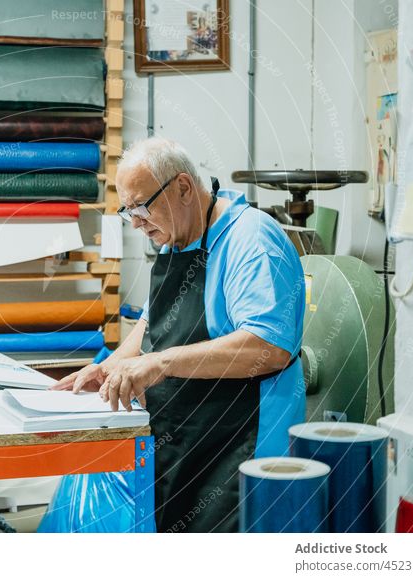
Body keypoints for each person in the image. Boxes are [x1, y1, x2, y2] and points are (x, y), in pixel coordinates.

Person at [52, 138, 306, 532]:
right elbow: (154, 324)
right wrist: (110, 367)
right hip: (185, 437)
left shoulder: (251, 241)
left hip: (240, 442)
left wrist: (159, 363)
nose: (134, 222)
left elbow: (267, 346)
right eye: (127, 211)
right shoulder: (178, 237)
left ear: (184, 188)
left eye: (140, 206)